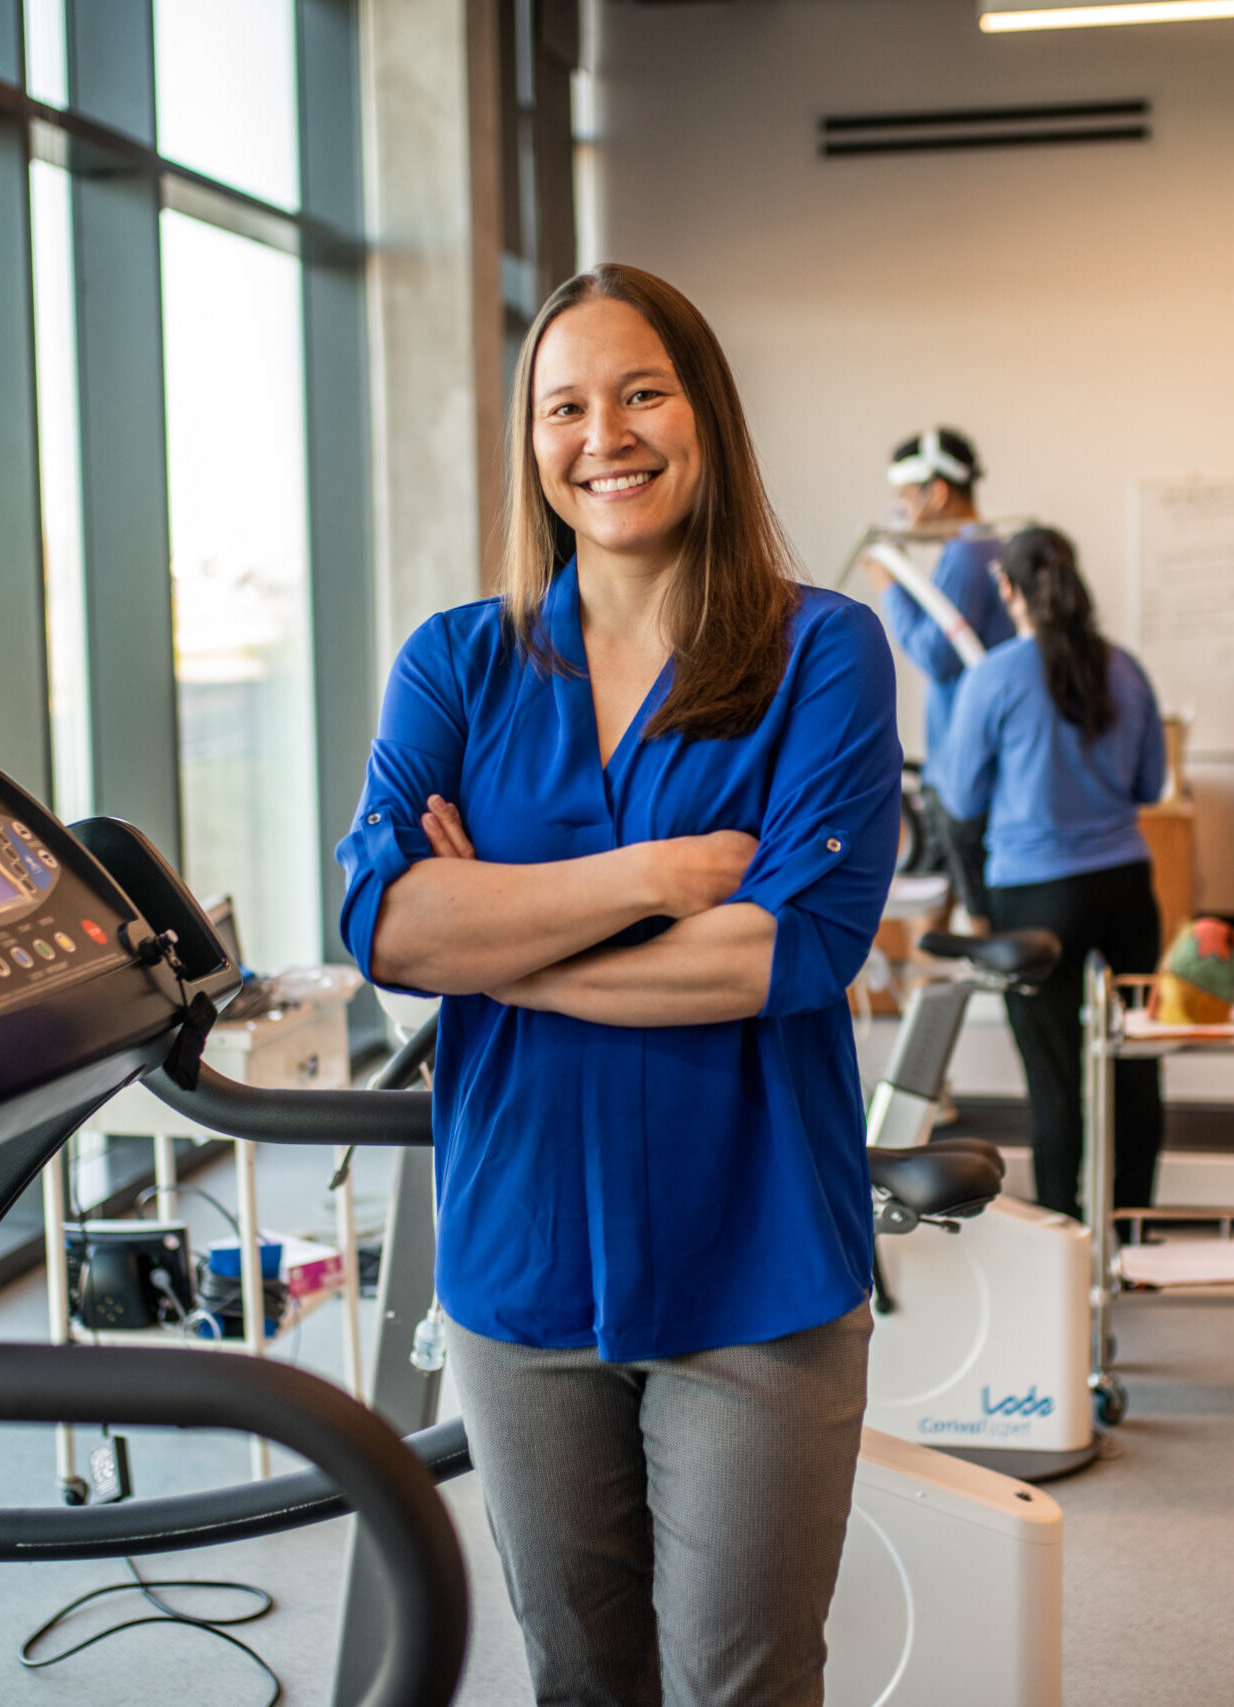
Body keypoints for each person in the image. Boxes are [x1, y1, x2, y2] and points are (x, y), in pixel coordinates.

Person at [337, 262, 902, 1707]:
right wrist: (652, 882)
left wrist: (503, 939)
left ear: (703, 410)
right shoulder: (457, 663)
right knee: (580, 1676)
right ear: (531, 440)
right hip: (521, 1262)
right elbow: (387, 926)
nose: (607, 433)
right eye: (565, 404)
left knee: (743, 1676)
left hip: (755, 1257)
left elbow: (789, 949)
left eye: (642, 390)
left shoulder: (821, 649)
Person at [934, 525, 1165, 1222]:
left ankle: (1068, 1241)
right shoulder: (1125, 668)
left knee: (1055, 1081)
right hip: (1126, 889)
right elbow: (1150, 784)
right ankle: (1132, 1237)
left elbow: (961, 800)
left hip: (1034, 898)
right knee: (1135, 1064)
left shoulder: (995, 676)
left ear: (1007, 589)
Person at [860, 427, 1014, 924]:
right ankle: (926, 1000)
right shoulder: (986, 547)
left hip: (964, 773)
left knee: (970, 914)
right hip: (964, 763)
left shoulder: (969, 552)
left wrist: (890, 586)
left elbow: (936, 655)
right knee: (937, 910)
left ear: (938, 491)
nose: (903, 509)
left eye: (907, 496)